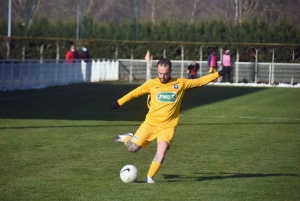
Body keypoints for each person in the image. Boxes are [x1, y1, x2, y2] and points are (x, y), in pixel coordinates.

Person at [110, 58, 228, 183]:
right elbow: (135, 93)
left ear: (170, 71)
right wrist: (119, 102)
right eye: (160, 73)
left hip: (168, 127)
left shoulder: (180, 83)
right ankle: (128, 137)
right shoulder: (151, 84)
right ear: (157, 71)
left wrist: (218, 74)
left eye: (165, 73)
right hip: (150, 124)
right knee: (132, 148)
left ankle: (149, 178)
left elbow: (199, 81)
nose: (162, 76)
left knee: (163, 148)